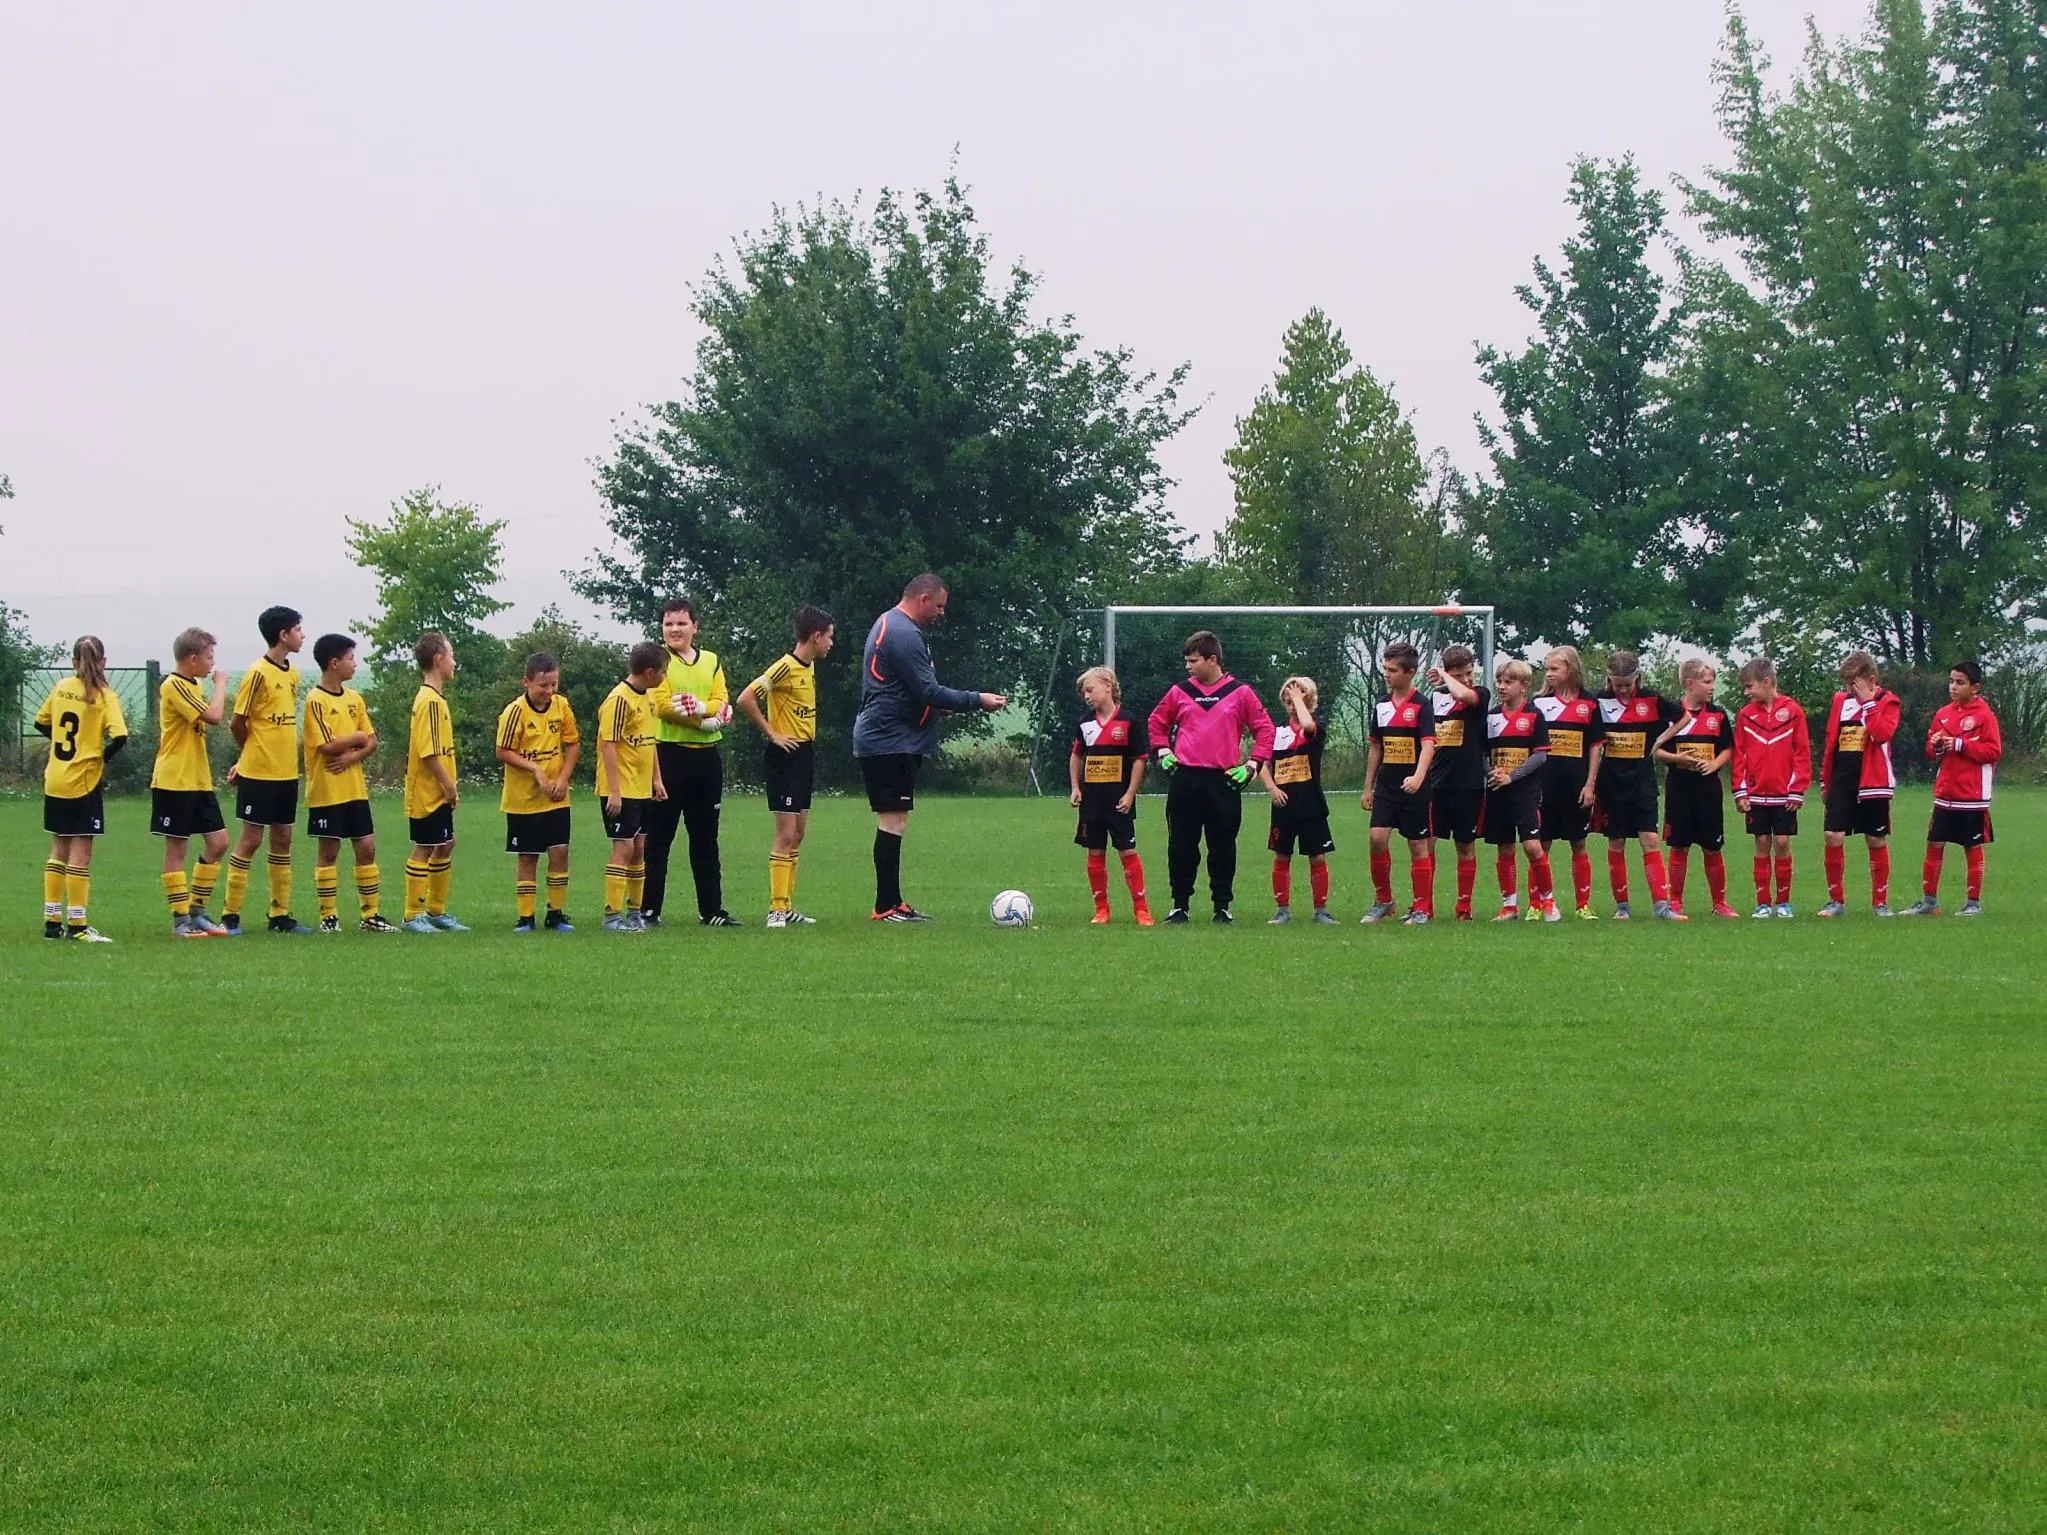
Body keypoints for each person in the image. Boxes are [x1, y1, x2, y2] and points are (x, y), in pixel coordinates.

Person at [851, 573, 1006, 922]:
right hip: (888, 740)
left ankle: (892, 903)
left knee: (896, 819)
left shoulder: (895, 625)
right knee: (892, 820)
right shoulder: (903, 632)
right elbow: (928, 690)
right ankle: (886, 906)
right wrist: (977, 700)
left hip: (891, 739)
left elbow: (908, 690)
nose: (941, 613)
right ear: (922, 599)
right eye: (939, 606)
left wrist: (937, 707)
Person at [1148, 629, 1275, 924]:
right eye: (1187, 661)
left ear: (1212, 659)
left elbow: (1265, 729)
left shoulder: (1240, 693)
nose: (1188, 666)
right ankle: (1179, 905)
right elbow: (1156, 722)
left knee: (1223, 847)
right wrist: (1163, 752)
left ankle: (1222, 906)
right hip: (1185, 779)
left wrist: (1252, 765)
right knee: (1181, 846)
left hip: (1224, 781)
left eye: (1193, 660)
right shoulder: (1179, 691)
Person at [736, 605, 835, 928]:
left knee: (799, 833)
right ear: (816, 636)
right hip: (785, 756)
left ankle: (788, 905)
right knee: (786, 833)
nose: (831, 643)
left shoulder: (809, 666)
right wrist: (773, 733)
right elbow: (746, 698)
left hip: (804, 753)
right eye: (829, 637)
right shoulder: (784, 667)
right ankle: (776, 908)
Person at [645, 597, 737, 927]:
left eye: (681, 623)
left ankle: (711, 910)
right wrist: (705, 721)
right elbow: (663, 706)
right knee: (659, 837)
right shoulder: (657, 660)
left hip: (707, 759)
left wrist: (700, 709)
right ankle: (649, 910)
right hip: (669, 755)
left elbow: (721, 700)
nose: (675, 630)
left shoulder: (710, 660)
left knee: (705, 837)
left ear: (694, 627)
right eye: (668, 624)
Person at [34, 635, 128, 942]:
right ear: (103, 662)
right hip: (84, 780)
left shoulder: (62, 687)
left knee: (58, 848)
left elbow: (41, 722)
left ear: (74, 662)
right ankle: (77, 925)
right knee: (81, 853)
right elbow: (120, 737)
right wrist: (99, 756)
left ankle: (52, 922)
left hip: (56, 777)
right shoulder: (104, 695)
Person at [222, 605, 308, 935]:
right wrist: (248, 757)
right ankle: (230, 915)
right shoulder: (257, 673)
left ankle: (279, 915)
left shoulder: (292, 674)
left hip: (286, 772)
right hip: (259, 772)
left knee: (283, 838)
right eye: (298, 629)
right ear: (283, 635)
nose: (303, 635)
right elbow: (237, 723)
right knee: (251, 839)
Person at [303, 633, 394, 933]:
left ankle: (371, 915)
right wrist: (355, 738)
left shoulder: (355, 699)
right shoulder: (316, 700)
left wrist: (352, 756)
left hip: (355, 789)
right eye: (351, 658)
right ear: (334, 663)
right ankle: (329, 917)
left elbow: (372, 740)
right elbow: (326, 746)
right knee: (329, 850)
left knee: (366, 847)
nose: (355, 664)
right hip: (327, 790)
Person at [150, 627, 231, 938]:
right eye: (209, 657)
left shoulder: (193, 685)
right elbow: (213, 715)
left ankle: (197, 911)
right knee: (177, 848)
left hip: (198, 779)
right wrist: (220, 685)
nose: (213, 663)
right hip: (174, 779)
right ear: (192, 658)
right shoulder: (174, 685)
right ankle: (180, 920)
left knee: (219, 841)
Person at [1905, 660, 2002, 917]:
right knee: (1934, 843)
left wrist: (1961, 745)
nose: (1953, 687)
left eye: (1960, 682)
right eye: (1951, 681)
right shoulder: (1943, 713)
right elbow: (1930, 751)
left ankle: (1973, 903)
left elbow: (1993, 751)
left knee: (1972, 847)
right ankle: (1929, 902)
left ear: (1975, 687)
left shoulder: (1984, 716)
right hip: (1945, 794)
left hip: (1972, 795)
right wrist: (1936, 744)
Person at [1594, 649, 1685, 921]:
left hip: (1643, 781)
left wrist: (1660, 740)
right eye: (1617, 685)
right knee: (1616, 841)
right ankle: (1622, 906)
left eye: (1627, 684)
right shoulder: (1598, 701)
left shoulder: (1652, 700)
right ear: (1609, 679)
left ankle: (1661, 906)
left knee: (1651, 839)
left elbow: (1684, 717)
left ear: (1638, 678)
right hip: (1611, 782)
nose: (1623, 690)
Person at [495, 651, 582, 933]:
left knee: (560, 852)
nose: (549, 690)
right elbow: (503, 751)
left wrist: (563, 778)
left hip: (556, 797)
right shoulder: (515, 712)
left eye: (554, 684)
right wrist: (535, 770)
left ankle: (556, 914)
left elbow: (573, 744)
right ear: (527, 682)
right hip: (523, 800)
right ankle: (526, 917)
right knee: (528, 856)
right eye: (543, 685)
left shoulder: (561, 706)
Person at [1653, 658, 1738, 919]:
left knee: (1713, 846)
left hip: (1708, 790)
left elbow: (1728, 749)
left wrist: (1714, 764)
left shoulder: (1718, 715)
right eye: (1707, 682)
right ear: (1690, 684)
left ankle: (1720, 903)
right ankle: (1676, 902)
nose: (1712, 687)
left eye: (1713, 682)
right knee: (1679, 846)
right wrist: (1677, 759)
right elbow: (1656, 750)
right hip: (1679, 788)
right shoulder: (1672, 716)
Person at [1819, 651, 1903, 918]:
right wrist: (1825, 779)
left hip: (1874, 781)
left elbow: (1882, 734)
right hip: (1842, 780)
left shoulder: (1888, 702)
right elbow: (1831, 741)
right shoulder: (1840, 701)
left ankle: (1880, 902)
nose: (1849, 689)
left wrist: (1868, 704)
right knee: (1833, 835)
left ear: (1871, 680)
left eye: (1854, 683)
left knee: (1875, 839)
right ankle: (1835, 900)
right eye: (1846, 684)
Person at [1069, 666, 1153, 925]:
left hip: (1119, 802)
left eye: (1090, 690)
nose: (1086, 696)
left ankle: (1142, 910)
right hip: (1092, 804)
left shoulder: (1128, 721)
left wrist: (1130, 794)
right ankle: (1101, 910)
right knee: (1095, 852)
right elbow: (1076, 756)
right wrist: (1075, 787)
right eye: (1084, 693)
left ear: (1108, 686)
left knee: (1127, 851)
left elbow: (1139, 760)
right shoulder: (1085, 723)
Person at [1361, 641, 1437, 924]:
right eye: (1385, 668)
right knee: (1377, 838)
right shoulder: (1381, 705)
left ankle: (1421, 908)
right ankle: (1384, 901)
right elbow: (1376, 747)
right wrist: (1368, 787)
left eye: (1392, 670)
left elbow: (1428, 745)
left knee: (1418, 845)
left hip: (1415, 788)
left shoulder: (1422, 705)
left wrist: (1418, 776)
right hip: (1387, 787)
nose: (1387, 674)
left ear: (1410, 673)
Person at [1730, 656, 1811, 919]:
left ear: (1766, 682)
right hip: (1755, 794)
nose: (1747, 692)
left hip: (1784, 794)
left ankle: (1784, 902)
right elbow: (1740, 754)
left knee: (1782, 842)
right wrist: (1740, 790)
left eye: (1749, 686)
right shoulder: (1746, 715)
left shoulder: (1793, 711)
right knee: (1762, 842)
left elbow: (1802, 752)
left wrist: (1797, 788)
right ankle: (1763, 903)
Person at [597, 642, 670, 932]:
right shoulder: (618, 700)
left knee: (640, 847)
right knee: (624, 846)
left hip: (642, 788)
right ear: (649, 672)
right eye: (663, 671)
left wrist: (657, 779)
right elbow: (608, 745)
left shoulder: (649, 698)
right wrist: (614, 791)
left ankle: (634, 912)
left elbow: (650, 742)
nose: (665, 677)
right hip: (620, 789)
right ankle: (612, 916)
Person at [401, 632, 466, 934]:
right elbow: (428, 753)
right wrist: (448, 785)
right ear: (439, 659)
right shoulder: (428, 700)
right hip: (428, 791)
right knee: (425, 846)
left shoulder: (436, 699)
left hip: (438, 790)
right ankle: (412, 915)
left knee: (446, 843)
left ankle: (436, 911)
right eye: (451, 655)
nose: (455, 662)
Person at [1533, 645, 1605, 919]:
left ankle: (1582, 905)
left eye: (1555, 669)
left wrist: (1590, 784)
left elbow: (1596, 746)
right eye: (1547, 669)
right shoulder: (1539, 703)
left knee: (1578, 843)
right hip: (1544, 787)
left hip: (1576, 786)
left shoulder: (1589, 703)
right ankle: (1537, 904)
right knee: (1541, 844)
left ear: (1571, 669)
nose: (1549, 674)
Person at [1483, 657, 1553, 921]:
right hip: (1497, 791)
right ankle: (1509, 906)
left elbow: (1540, 755)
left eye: (1508, 682)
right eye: (1499, 681)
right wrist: (1491, 773)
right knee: (1504, 847)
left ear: (1524, 686)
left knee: (1533, 846)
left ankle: (1548, 901)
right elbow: (1482, 754)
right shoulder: (1491, 717)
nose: (1502, 686)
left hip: (1525, 793)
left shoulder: (1534, 715)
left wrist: (1512, 777)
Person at [1260, 675, 1333, 925]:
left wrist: (1299, 699)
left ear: (1309, 699)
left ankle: (1321, 911)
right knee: (1282, 856)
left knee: (1317, 857)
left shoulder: (1316, 726)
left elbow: (1308, 726)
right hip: (1284, 807)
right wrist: (1272, 788)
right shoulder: (1276, 732)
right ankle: (1282, 910)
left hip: (1311, 804)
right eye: (1288, 699)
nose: (1291, 703)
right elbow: (1263, 764)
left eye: (1297, 698)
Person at [1427, 644, 1491, 920]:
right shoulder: (1434, 698)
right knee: (1426, 843)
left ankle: (1464, 907)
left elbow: (1464, 694)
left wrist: (1445, 676)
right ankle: (1424, 906)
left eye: (1469, 673)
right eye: (1459, 675)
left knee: (1465, 846)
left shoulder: (1480, 694)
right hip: (1435, 784)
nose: (1466, 679)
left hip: (1468, 784)